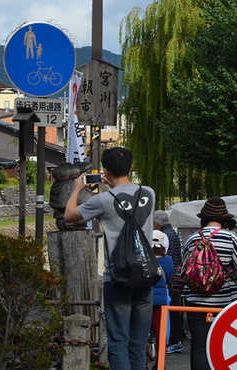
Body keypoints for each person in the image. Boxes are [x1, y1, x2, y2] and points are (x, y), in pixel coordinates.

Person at [64, 147, 155, 370]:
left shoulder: (103, 200)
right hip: (146, 276)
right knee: (138, 342)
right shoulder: (149, 193)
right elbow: (128, 201)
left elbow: (69, 216)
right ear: (131, 167)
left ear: (105, 170)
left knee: (118, 342)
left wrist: (77, 188)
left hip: (117, 279)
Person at [182, 197, 237, 369]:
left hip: (194, 301)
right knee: (222, 345)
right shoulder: (231, 238)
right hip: (224, 301)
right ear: (224, 219)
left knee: (199, 347)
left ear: (203, 218)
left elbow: (184, 270)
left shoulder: (192, 239)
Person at [153, 211, 185, 353]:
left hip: (167, 282)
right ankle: (174, 341)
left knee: (169, 315)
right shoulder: (172, 232)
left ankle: (172, 341)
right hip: (174, 278)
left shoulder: (163, 235)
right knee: (173, 312)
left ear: (155, 224)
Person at [150, 231, 173, 349]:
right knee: (160, 331)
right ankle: (160, 361)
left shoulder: (145, 259)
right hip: (161, 300)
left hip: (145, 299)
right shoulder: (168, 260)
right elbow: (169, 278)